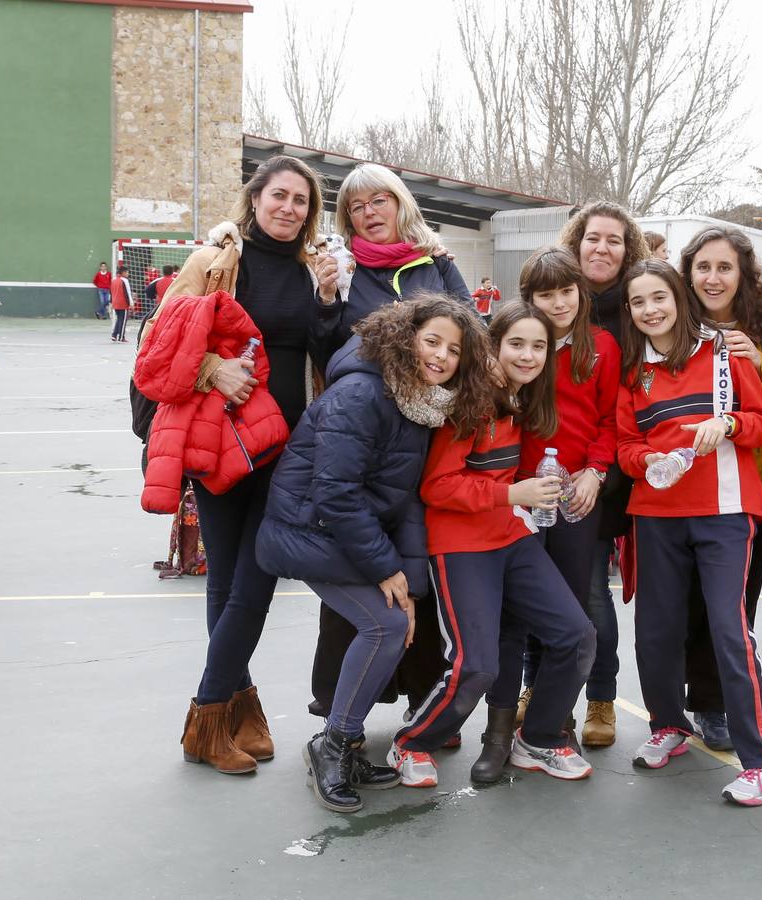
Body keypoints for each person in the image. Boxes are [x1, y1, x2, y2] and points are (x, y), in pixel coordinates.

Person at [139, 154, 339, 776]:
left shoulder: (315, 272)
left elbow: (328, 358)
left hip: (289, 448)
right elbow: (157, 341)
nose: (289, 208)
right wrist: (209, 370)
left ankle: (226, 707)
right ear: (255, 199)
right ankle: (214, 715)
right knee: (228, 580)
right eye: (279, 196)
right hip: (221, 440)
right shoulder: (215, 262)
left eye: (301, 201)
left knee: (254, 580)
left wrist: (331, 300)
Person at [255, 296, 494, 812]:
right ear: (406, 338)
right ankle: (334, 746)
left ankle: (339, 742)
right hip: (308, 529)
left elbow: (404, 501)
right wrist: (386, 569)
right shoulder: (363, 392)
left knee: (395, 622)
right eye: (432, 341)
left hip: (341, 534)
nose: (441, 356)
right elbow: (335, 493)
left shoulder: (417, 403)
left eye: (454, 350)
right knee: (385, 626)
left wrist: (408, 580)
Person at [389, 302, 597, 788]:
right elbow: (437, 487)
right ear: (493, 346)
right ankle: (413, 743)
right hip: (461, 543)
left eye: (539, 346)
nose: (528, 355)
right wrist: (513, 494)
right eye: (517, 344)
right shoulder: (473, 399)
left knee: (577, 636)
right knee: (477, 665)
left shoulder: (523, 398)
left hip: (511, 535)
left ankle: (539, 738)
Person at [309, 162, 473, 736]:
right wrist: (329, 301)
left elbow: (470, 335)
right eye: (357, 206)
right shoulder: (345, 271)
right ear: (346, 218)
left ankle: (427, 703)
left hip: (431, 436)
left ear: (400, 204)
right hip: (372, 439)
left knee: (420, 566)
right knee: (357, 558)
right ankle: (336, 703)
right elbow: (328, 353)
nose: (370, 212)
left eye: (380, 200)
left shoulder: (439, 264)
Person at [615, 259, 762, 807]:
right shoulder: (633, 372)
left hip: (725, 511)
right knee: (656, 630)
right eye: (638, 302)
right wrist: (649, 461)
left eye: (659, 297)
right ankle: (668, 724)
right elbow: (624, 445)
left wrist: (728, 423)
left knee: (729, 631)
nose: (650, 310)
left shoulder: (723, 352)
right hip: (657, 513)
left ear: (679, 297)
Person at [483, 246, 620, 778]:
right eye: (546, 294)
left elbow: (610, 419)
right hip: (521, 494)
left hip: (575, 495)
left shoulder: (602, 347)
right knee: (519, 608)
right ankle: (518, 710)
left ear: (582, 293)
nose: (559, 301)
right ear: (529, 300)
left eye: (567, 291)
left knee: (574, 603)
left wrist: (596, 471)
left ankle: (559, 710)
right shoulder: (524, 349)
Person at [677, 226, 762, 752]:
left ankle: (714, 702)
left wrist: (755, 360)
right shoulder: (669, 321)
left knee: (732, 607)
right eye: (703, 267)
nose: (713, 277)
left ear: (742, 274)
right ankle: (675, 705)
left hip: (746, 491)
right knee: (682, 606)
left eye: (724, 267)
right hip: (678, 491)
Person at [551, 200, 650, 746]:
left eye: (614, 240)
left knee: (591, 593)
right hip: (545, 475)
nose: (602, 248)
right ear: (577, 241)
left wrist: (598, 471)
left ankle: (601, 699)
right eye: (593, 238)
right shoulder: (554, 298)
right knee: (538, 593)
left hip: (605, 474)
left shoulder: (635, 310)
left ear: (627, 248)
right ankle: (539, 693)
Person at [110, 264, 133, 342]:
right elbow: (128, 292)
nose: (128, 274)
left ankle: (114, 335)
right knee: (123, 320)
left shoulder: (114, 280)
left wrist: (111, 303)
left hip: (115, 303)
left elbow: (111, 292)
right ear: (123, 272)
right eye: (127, 272)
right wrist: (131, 303)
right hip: (123, 303)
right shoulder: (125, 280)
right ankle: (121, 337)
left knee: (119, 319)